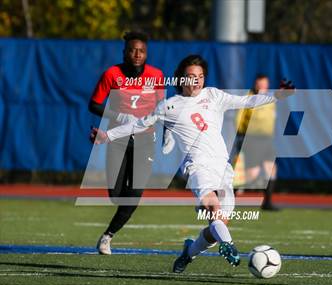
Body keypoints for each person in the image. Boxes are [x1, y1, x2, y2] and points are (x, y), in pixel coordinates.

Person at [91, 55, 290, 272]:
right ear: (181, 79)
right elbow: (138, 125)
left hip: (223, 168)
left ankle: (190, 252)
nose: (196, 81)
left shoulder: (214, 95)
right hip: (196, 166)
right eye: (191, 77)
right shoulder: (169, 106)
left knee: (217, 226)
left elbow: (247, 101)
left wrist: (277, 96)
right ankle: (229, 244)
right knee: (212, 207)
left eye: (200, 76)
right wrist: (107, 135)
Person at [89, 31, 172, 255]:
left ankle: (107, 236)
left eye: (142, 51)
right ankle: (123, 202)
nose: (137, 54)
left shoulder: (156, 75)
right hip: (118, 139)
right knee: (116, 195)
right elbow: (94, 105)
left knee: (134, 195)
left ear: (147, 54)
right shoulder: (112, 74)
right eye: (133, 50)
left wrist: (169, 133)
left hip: (145, 140)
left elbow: (162, 109)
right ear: (124, 52)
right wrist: (120, 117)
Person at [234, 75, 294, 210]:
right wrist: (240, 135)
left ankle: (267, 203)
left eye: (264, 84)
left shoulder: (270, 98)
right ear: (255, 84)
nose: (262, 87)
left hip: (267, 139)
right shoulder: (249, 98)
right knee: (251, 174)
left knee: (271, 169)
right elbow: (239, 118)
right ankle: (227, 197)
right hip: (252, 139)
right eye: (260, 84)